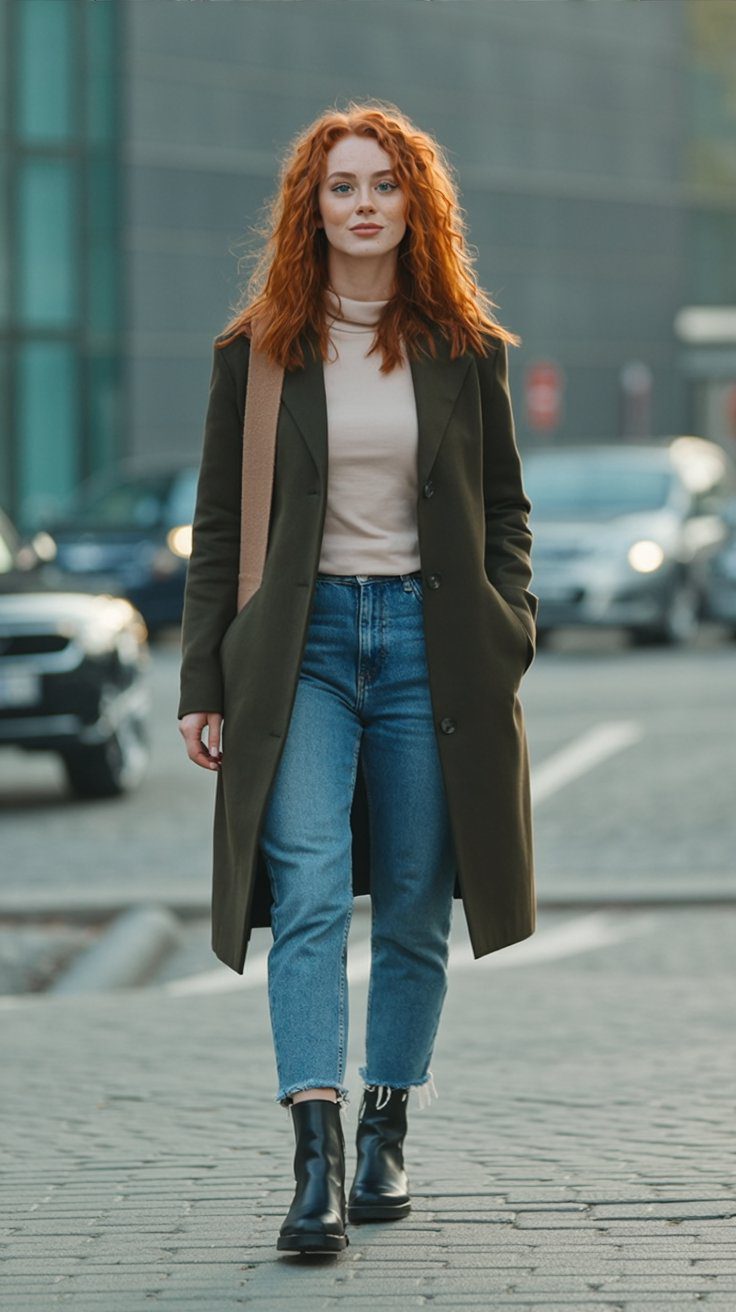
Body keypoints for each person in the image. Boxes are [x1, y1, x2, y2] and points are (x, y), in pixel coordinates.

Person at [177, 100, 536, 1257]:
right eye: (343, 185)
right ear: (312, 207)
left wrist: (506, 627)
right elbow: (220, 527)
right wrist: (201, 680)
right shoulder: (258, 353)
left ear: (414, 204)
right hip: (304, 650)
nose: (364, 203)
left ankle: (387, 1121)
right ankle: (315, 1158)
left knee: (420, 900)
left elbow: (505, 513)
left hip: (433, 649)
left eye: (384, 184)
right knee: (312, 892)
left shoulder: (464, 349)